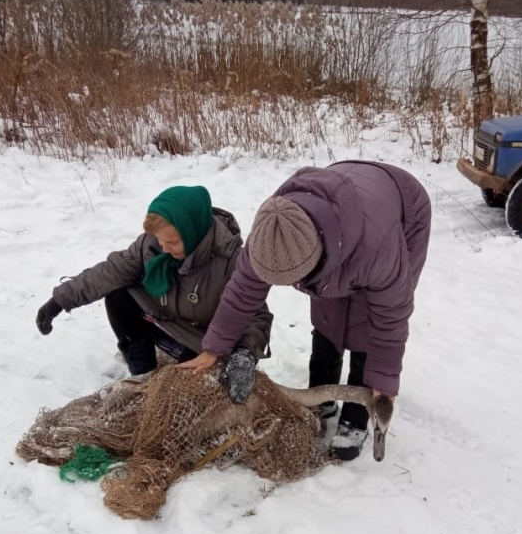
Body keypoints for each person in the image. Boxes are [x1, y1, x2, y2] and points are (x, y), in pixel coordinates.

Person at [178, 161, 431, 461]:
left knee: (364, 327)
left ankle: (355, 418)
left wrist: (384, 383)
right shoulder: (271, 233)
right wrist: (214, 347)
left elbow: (390, 318)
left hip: (402, 209)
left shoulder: (378, 249)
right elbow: (243, 291)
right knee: (328, 314)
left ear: (318, 257)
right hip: (340, 206)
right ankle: (321, 398)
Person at [34, 185, 273, 396]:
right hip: (165, 320)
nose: (164, 248)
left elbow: (256, 315)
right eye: (161, 240)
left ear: (193, 233)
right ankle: (142, 371)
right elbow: (110, 271)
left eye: (173, 242)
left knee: (189, 391)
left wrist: (244, 354)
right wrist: (59, 300)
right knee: (119, 296)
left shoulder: (231, 261)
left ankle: (182, 360)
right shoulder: (151, 245)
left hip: (204, 341)